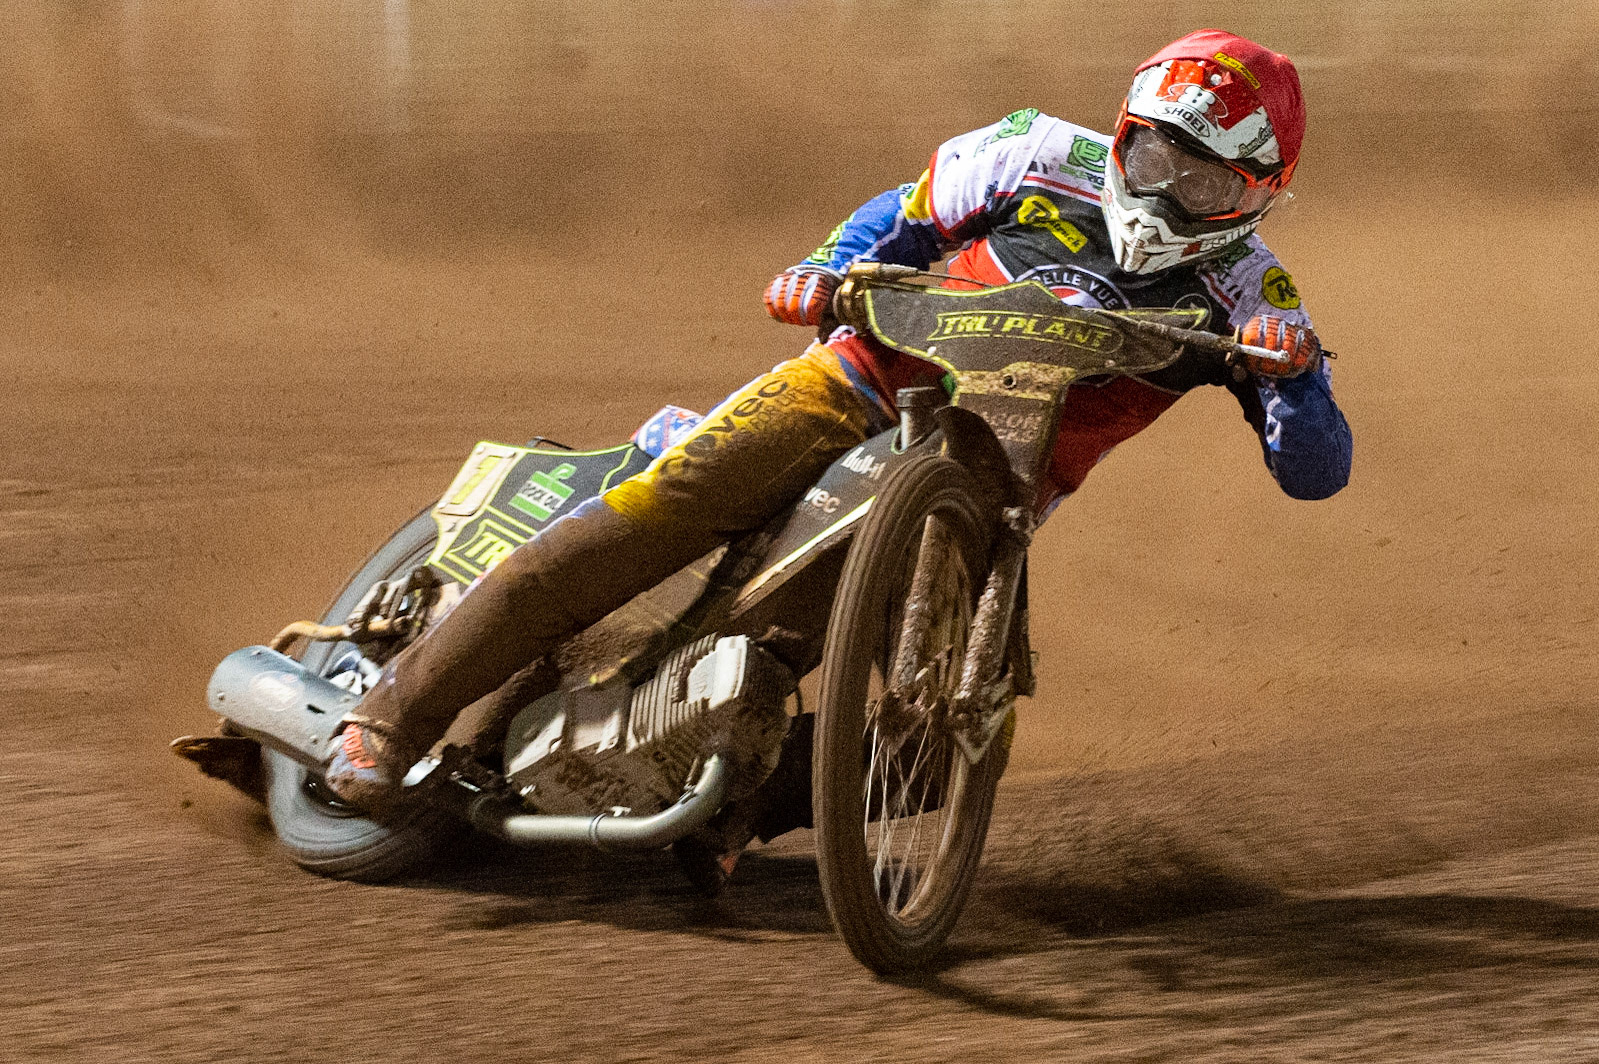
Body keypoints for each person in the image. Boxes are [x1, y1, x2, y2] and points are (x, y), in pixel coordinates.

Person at [324, 29, 1352, 881]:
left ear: (1263, 189)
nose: (1165, 194)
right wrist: (824, 269)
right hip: (855, 378)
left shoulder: (1257, 299)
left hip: (987, 487)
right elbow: (896, 219)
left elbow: (1316, 469)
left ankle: (720, 800)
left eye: (1205, 180)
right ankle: (393, 715)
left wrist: (1293, 377)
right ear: (1124, 136)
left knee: (933, 738)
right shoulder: (1034, 152)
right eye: (1153, 158)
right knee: (661, 512)